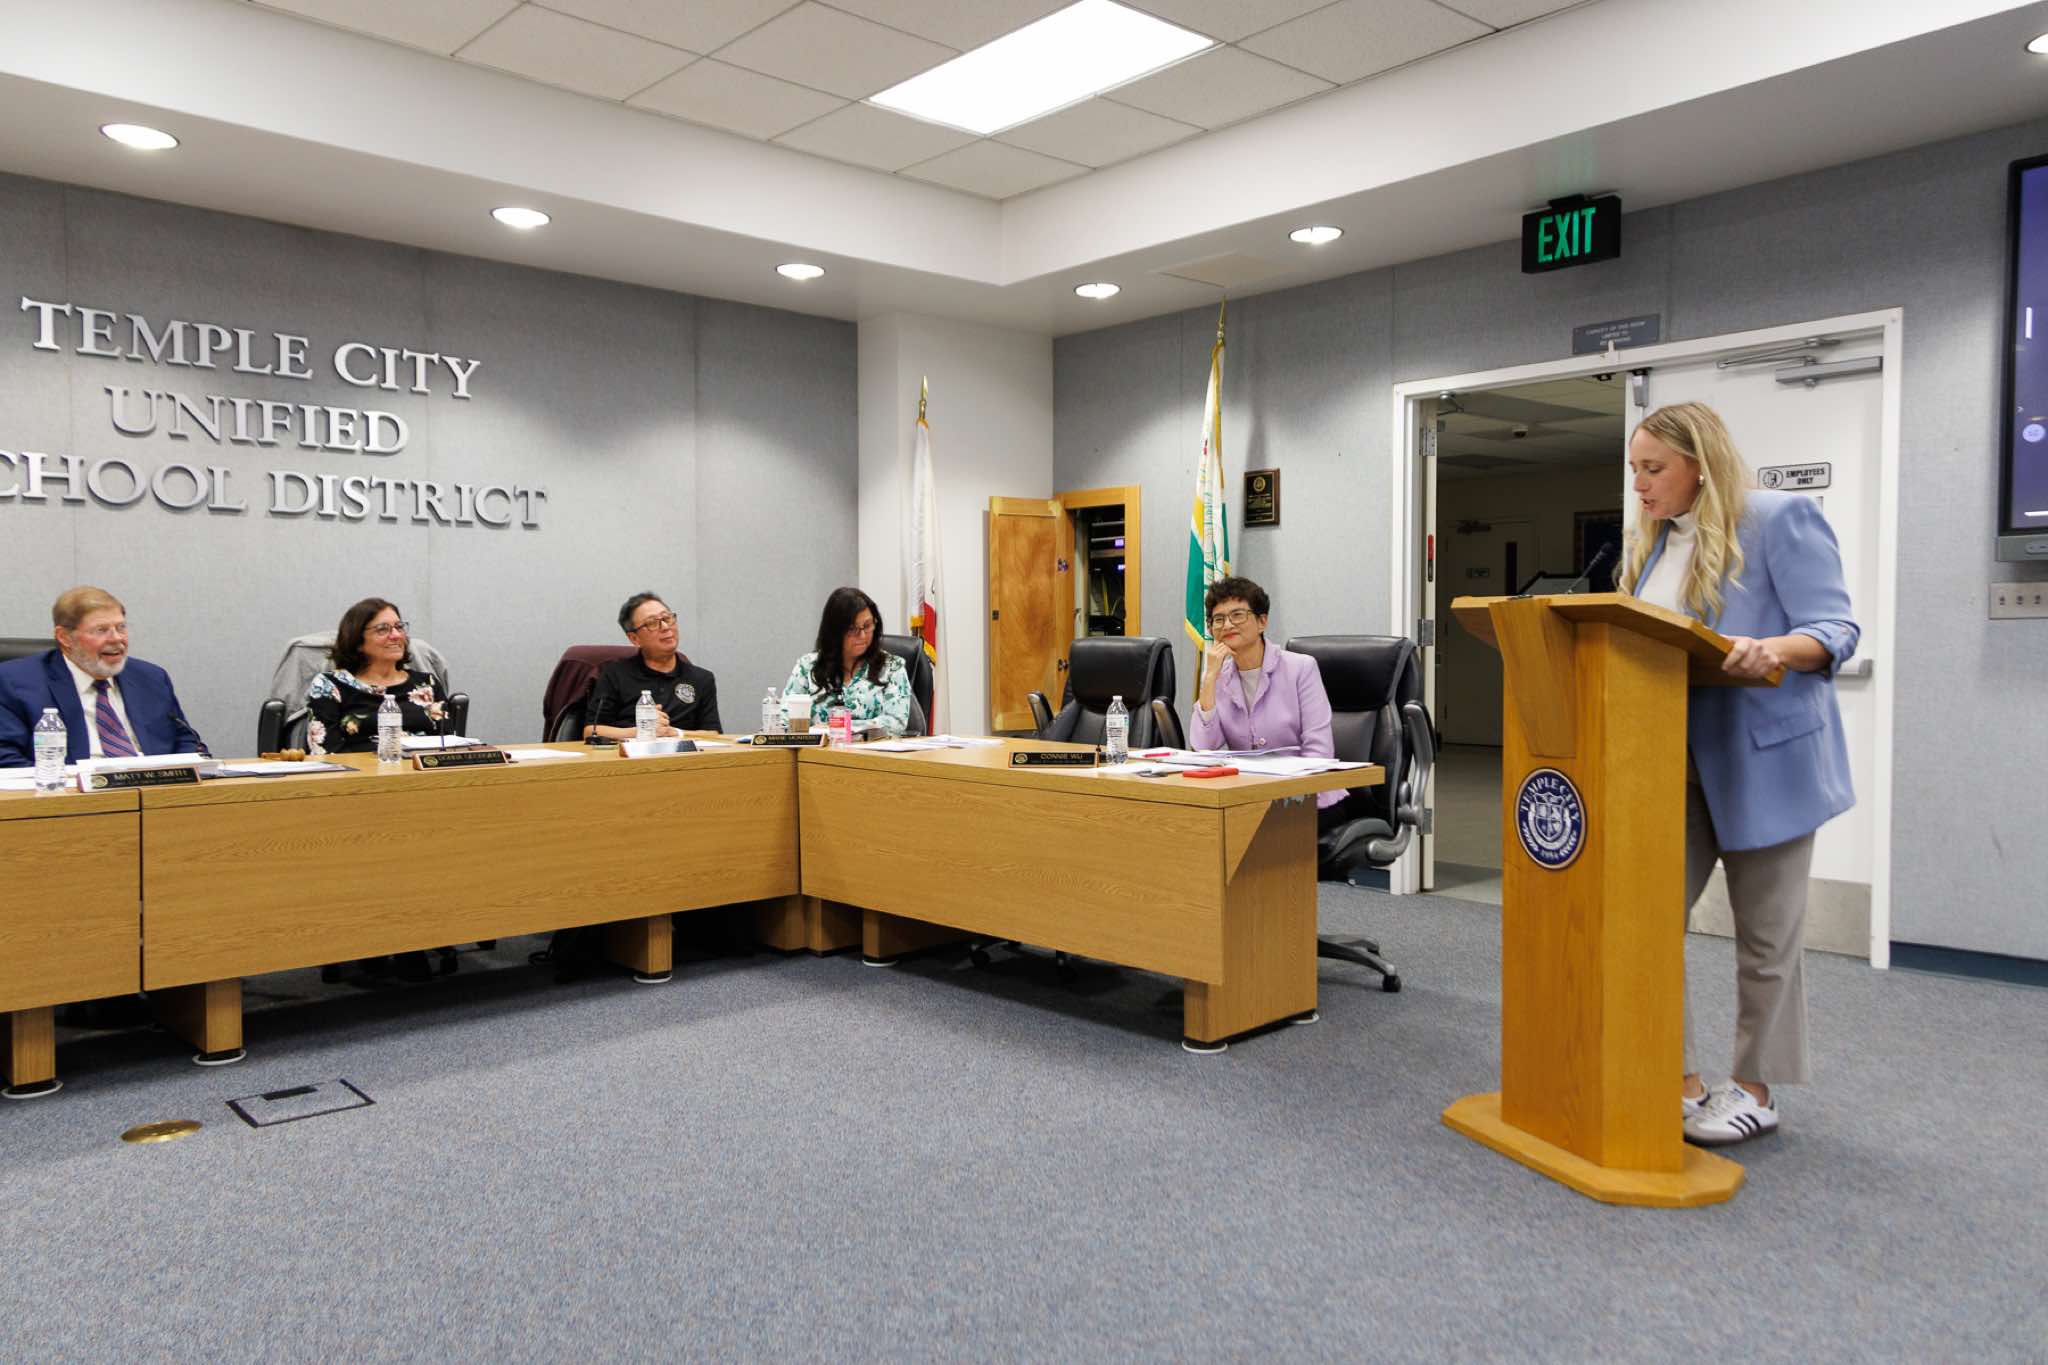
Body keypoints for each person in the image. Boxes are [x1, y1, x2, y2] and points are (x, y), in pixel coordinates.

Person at [1622, 401, 1858, 1148]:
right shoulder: (1656, 542)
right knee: (1643, 919)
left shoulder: (1778, 519)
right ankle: (1677, 1079)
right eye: (1634, 470)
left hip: (1768, 758)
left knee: (1765, 938)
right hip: (1674, 759)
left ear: (1700, 464)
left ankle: (1755, 1089)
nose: (1640, 485)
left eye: (1653, 469)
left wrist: (1774, 649)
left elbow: (1836, 629)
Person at [1187, 576, 1345, 831]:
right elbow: (1204, 747)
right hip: (1248, 798)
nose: (1227, 624)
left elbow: (1319, 751)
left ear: (1262, 622)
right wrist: (1209, 678)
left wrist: (1291, 796)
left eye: (1238, 615)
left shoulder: (1301, 668)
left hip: (1308, 799)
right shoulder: (1219, 677)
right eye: (1218, 619)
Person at [0, 585, 207, 766]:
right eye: (101, 630)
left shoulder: (151, 678)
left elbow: (184, 739)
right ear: (64, 637)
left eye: (121, 627)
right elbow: (6, 756)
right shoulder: (15, 682)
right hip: (72, 792)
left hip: (153, 789)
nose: (116, 639)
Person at [305, 599, 453, 755]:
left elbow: (450, 746)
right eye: (382, 629)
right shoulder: (330, 686)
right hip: (357, 770)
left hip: (422, 769)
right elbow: (325, 753)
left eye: (399, 627)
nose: (396, 635)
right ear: (357, 641)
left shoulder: (427, 683)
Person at [583, 593, 721, 739]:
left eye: (667, 618)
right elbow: (590, 731)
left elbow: (713, 733)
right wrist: (641, 731)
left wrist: (674, 733)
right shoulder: (614, 675)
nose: (666, 627)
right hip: (628, 751)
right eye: (652, 623)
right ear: (634, 638)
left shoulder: (701, 679)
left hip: (682, 752)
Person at [783, 587, 911, 736]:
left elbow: (896, 723)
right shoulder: (807, 667)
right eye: (852, 629)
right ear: (834, 632)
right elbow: (785, 718)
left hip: (871, 750)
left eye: (867, 626)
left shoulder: (892, 667)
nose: (862, 636)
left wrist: (838, 727)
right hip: (816, 750)